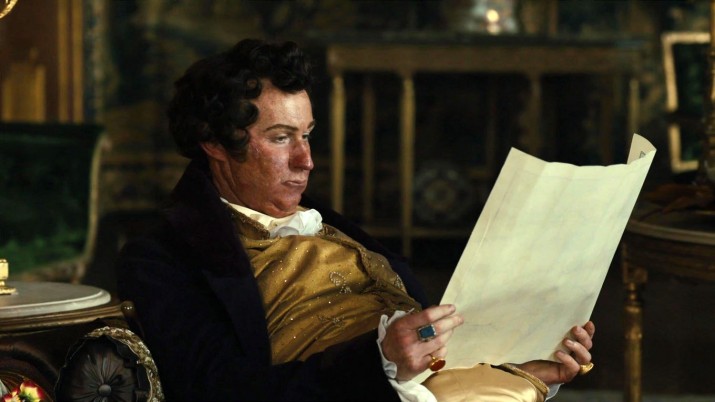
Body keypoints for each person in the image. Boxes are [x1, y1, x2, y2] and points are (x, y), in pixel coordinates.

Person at [116, 38, 595, 401]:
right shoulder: (163, 256)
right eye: (280, 138)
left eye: (307, 135)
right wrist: (380, 362)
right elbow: (216, 390)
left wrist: (524, 368)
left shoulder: (332, 224)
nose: (306, 161)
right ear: (215, 144)